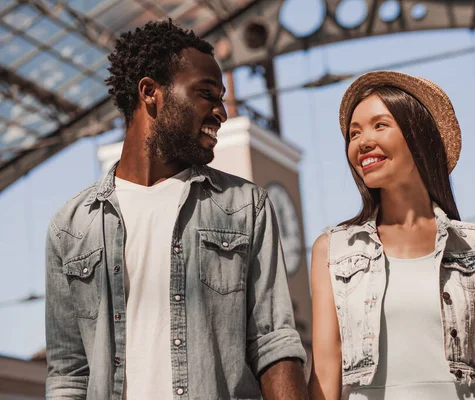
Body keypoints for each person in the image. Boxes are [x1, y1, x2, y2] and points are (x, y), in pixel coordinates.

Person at [45, 20, 308, 400]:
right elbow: (69, 375)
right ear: (150, 92)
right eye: (206, 94)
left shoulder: (245, 208)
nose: (221, 112)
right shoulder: (70, 229)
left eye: (222, 97)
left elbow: (274, 344)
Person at [308, 71, 475, 400]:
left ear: (417, 134)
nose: (362, 142)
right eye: (354, 133)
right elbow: (324, 384)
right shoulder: (333, 250)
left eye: (379, 125)